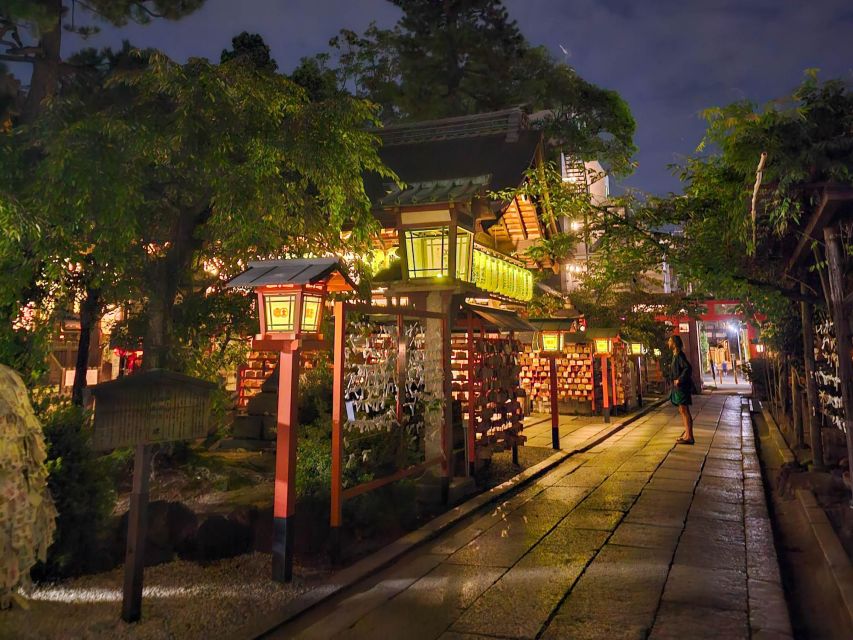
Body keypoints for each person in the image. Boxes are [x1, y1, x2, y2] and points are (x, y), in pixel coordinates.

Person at [669, 335, 694, 445]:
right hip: (679, 387)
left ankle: (689, 436)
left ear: (674, 343)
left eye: (670, 341)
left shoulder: (679, 355)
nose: (668, 342)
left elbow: (688, 368)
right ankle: (687, 434)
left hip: (682, 387)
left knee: (684, 410)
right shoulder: (675, 355)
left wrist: (679, 379)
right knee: (682, 410)